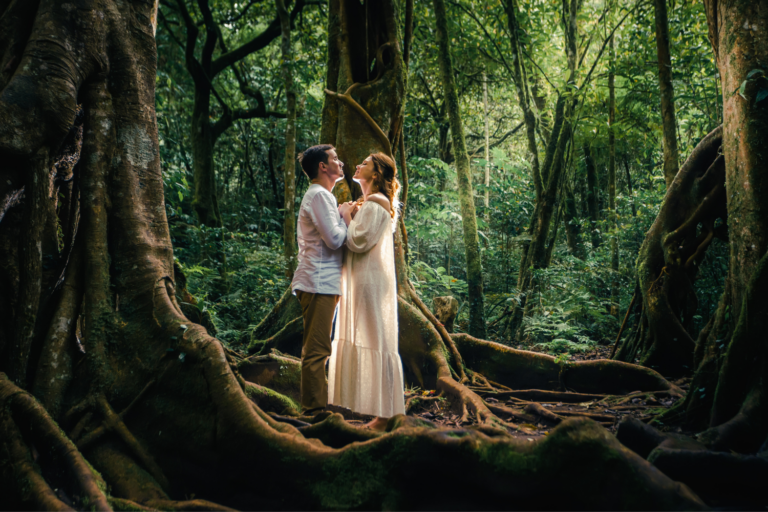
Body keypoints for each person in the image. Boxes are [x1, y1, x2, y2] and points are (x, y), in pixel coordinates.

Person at [328, 153, 406, 431]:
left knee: (378, 341)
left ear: (376, 175)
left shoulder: (376, 204)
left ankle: (386, 416)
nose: (357, 165)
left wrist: (346, 215)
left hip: (371, 282)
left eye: (365, 164)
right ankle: (381, 413)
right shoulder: (370, 204)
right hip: (362, 280)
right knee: (372, 339)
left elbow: (358, 240)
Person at [291, 145, 355, 415]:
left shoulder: (322, 195)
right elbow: (335, 239)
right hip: (318, 283)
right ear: (322, 167)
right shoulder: (319, 196)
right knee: (317, 349)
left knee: (319, 347)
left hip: (324, 283)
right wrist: (344, 216)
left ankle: (316, 406)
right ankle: (314, 412)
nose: (340, 163)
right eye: (335, 159)